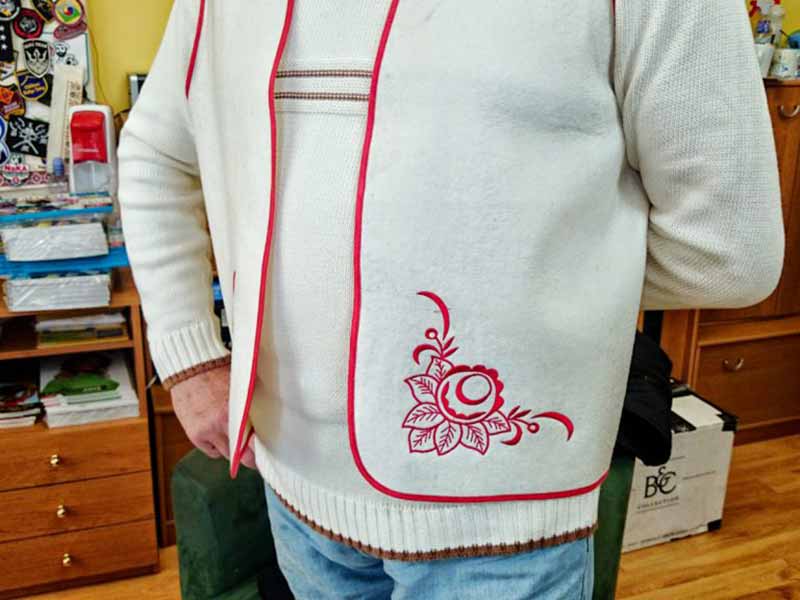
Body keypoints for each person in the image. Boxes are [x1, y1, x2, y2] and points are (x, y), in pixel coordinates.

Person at [118, 1, 784, 598]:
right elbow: (158, 152)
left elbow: (729, 249)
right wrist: (188, 357)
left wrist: (521, 279)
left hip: (499, 524)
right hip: (292, 486)